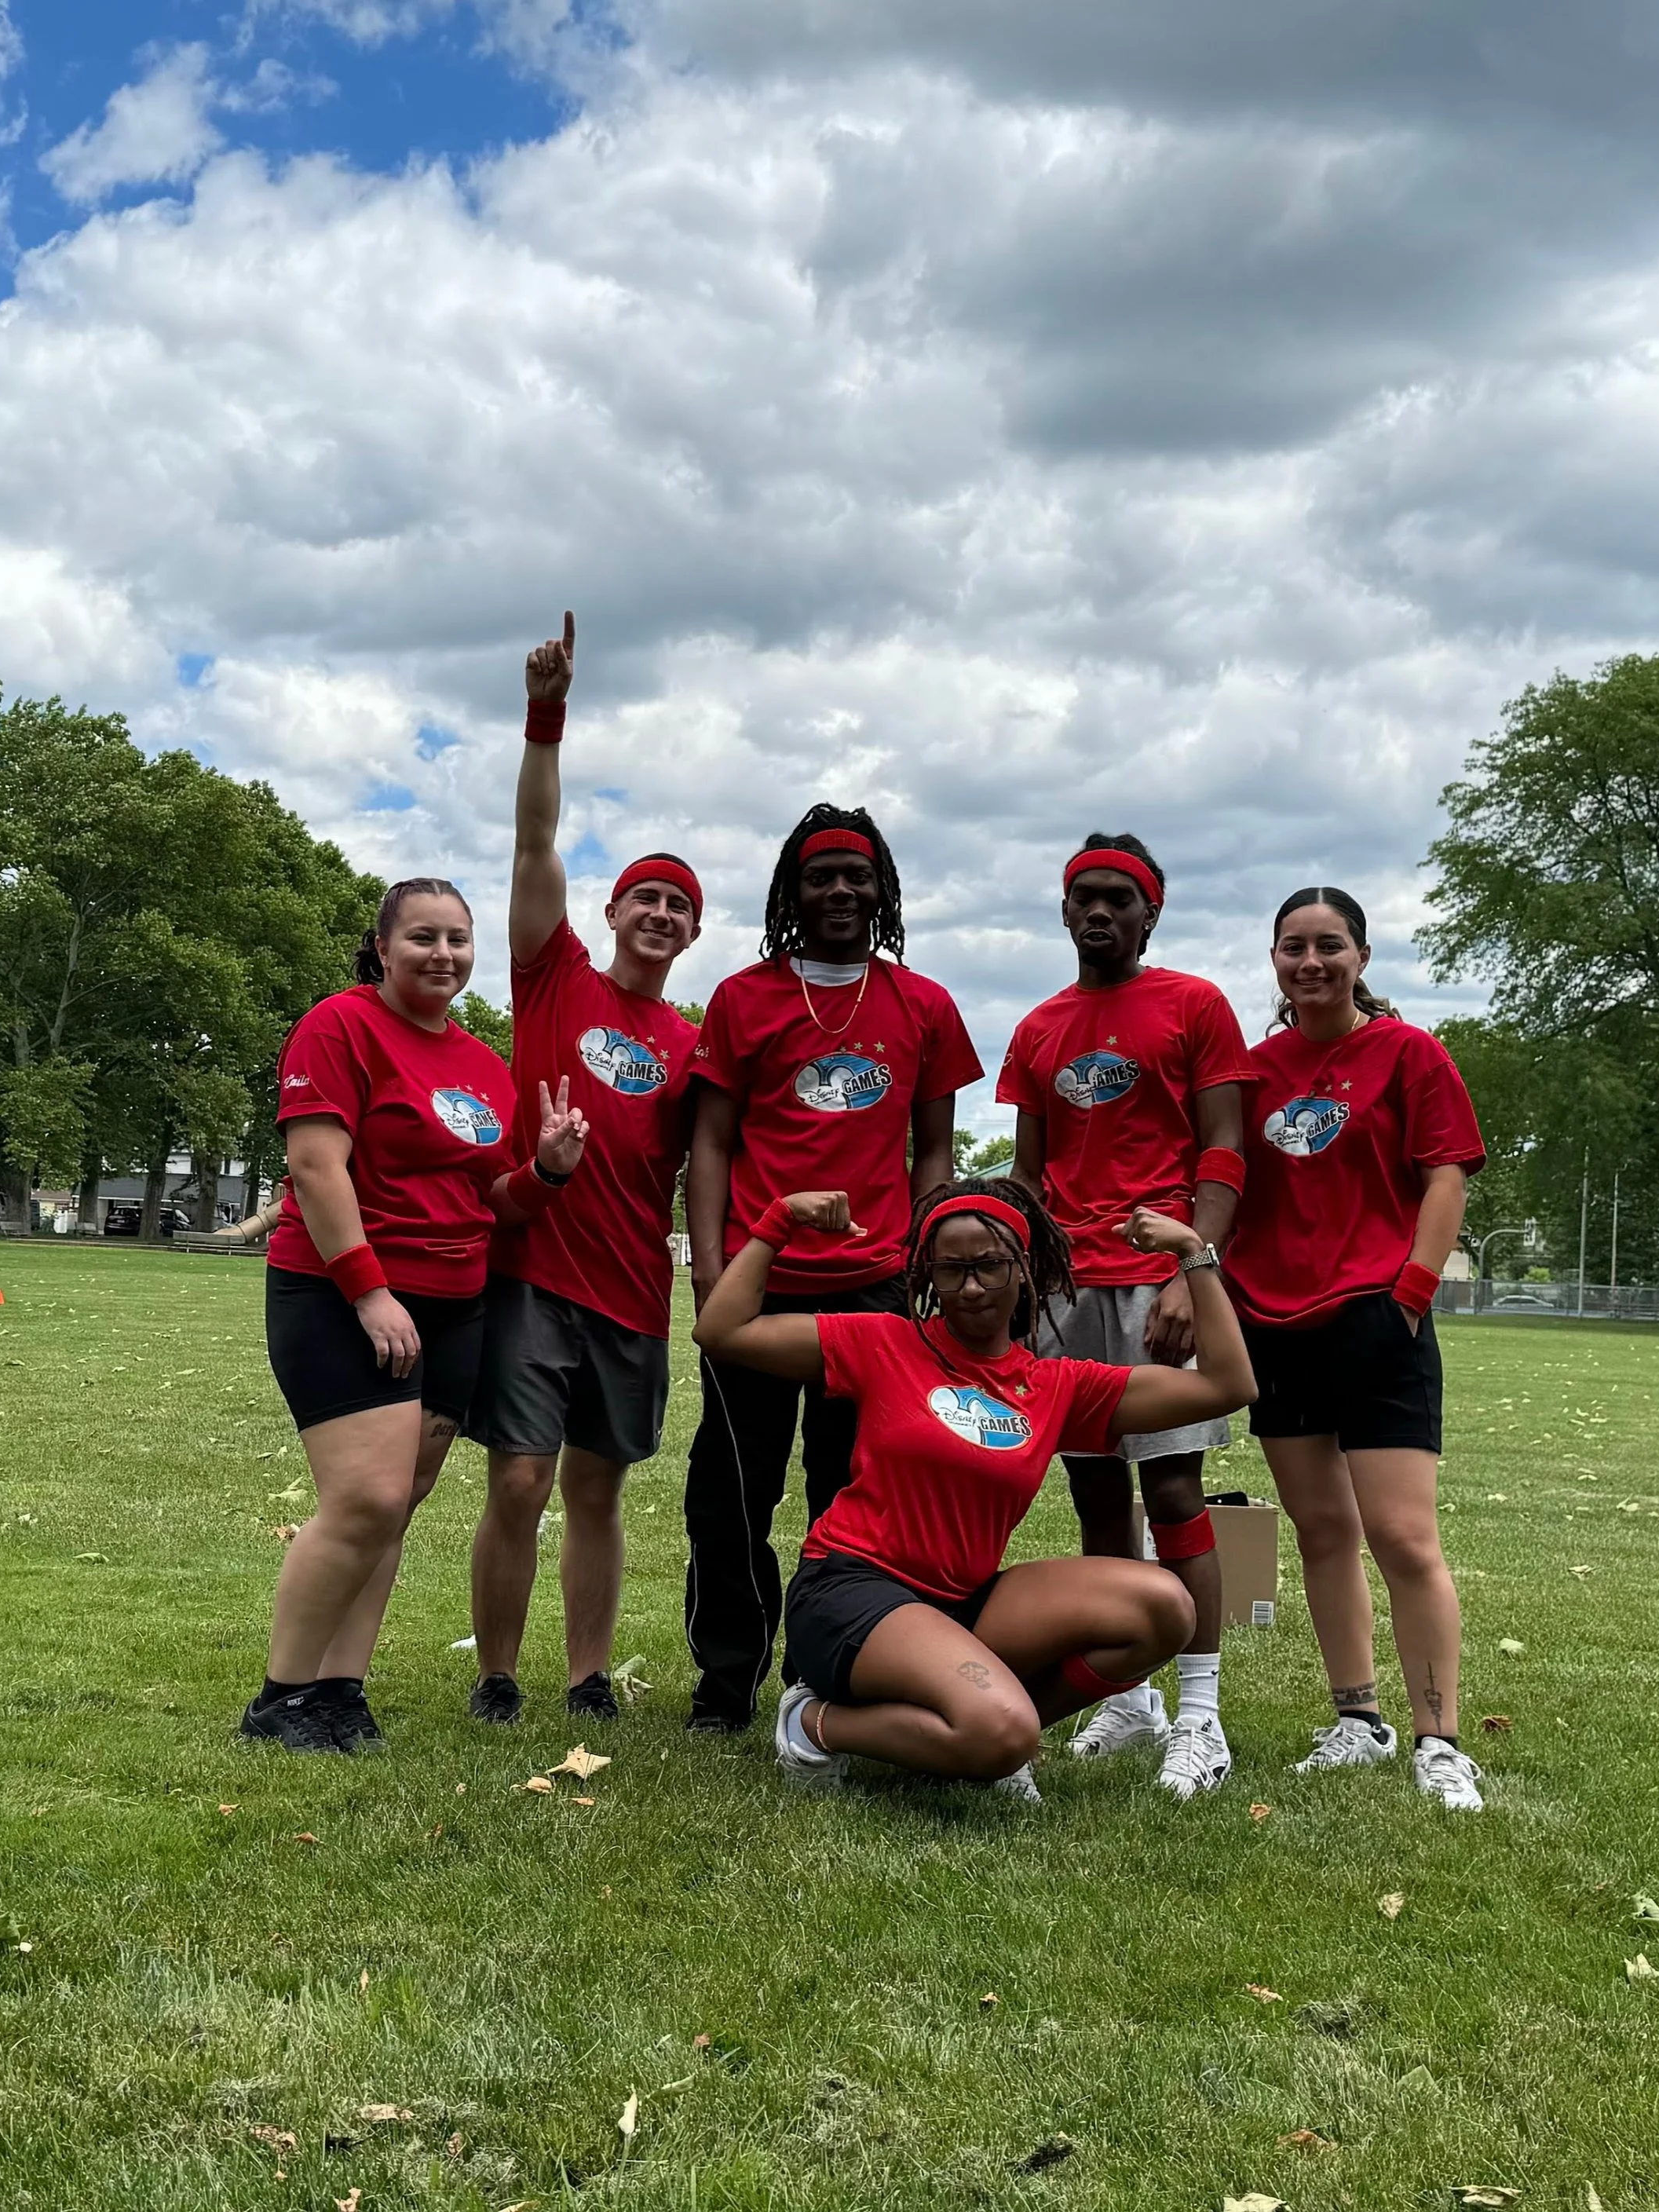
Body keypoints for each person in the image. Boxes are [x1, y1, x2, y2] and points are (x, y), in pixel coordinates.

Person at [691, 1177, 1255, 1797]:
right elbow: (722, 1331)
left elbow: (1228, 1385)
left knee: (1164, 1608)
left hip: (965, 1603)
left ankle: (978, 1727)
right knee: (1003, 1735)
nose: (972, 1286)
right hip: (850, 1590)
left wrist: (1193, 1253)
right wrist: (777, 1220)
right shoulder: (884, 1341)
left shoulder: (1056, 1385)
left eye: (989, 1265)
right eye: (952, 1269)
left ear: (1024, 1270)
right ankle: (814, 1722)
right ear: (929, 1276)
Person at [243, 878, 589, 1753]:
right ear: (384, 946)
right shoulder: (341, 1026)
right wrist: (367, 1290)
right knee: (364, 1498)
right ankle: (279, 1699)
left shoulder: (481, 1064)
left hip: (454, 1307)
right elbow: (318, 1170)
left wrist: (546, 1171)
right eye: (424, 938)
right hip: (339, 1296)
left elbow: (492, 1200)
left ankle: (339, 1692)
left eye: (459, 940)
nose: (443, 955)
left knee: (397, 1507)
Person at [681, 806, 983, 1732]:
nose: (841, 891)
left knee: (853, 1497)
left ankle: (829, 1676)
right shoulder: (743, 997)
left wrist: (925, 1258)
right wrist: (710, 1267)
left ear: (882, 891)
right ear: (792, 892)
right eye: (822, 877)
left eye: (858, 876)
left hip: (875, 1291)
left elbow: (933, 1151)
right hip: (762, 1285)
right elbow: (712, 1142)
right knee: (732, 1491)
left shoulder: (922, 1003)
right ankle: (726, 1685)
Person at [467, 613, 703, 1728]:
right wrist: (546, 716)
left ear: (690, 937)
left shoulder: (692, 1046)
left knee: (596, 1488)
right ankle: (500, 1676)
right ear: (608, 911)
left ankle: (587, 1675)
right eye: (647, 898)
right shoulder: (551, 972)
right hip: (532, 1273)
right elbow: (531, 837)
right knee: (517, 1476)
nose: (660, 914)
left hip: (630, 1292)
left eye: (680, 909)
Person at [998, 833, 1255, 1798]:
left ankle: (1201, 1714)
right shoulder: (1037, 1028)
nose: (1099, 912)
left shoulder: (1193, 1005)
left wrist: (1194, 1269)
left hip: (1158, 1282)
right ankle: (1128, 1696)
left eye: (1119, 899)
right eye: (1084, 898)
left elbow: (1225, 1152)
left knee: (1176, 1492)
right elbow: (1030, 1173)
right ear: (1064, 911)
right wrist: (1021, 1271)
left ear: (1151, 914)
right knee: (1096, 1497)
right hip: (1065, 1293)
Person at [1222, 887, 1487, 1811]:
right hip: (1273, 1323)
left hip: (1377, 1317)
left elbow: (1445, 1173)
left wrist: (1411, 1291)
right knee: (1321, 1533)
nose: (1310, 963)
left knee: (1404, 1538)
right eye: (1292, 947)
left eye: (1329, 946)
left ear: (1362, 958)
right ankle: (1356, 1722)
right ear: (1274, 961)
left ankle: (1439, 1741)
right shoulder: (1251, 1073)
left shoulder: (1408, 1052)